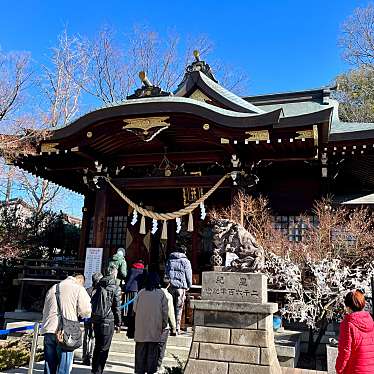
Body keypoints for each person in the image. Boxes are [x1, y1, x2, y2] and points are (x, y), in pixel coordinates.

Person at [41, 274, 91, 374]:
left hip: (48, 329)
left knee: (49, 366)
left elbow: (44, 310)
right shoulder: (78, 288)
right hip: (66, 332)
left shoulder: (53, 288)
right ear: (80, 281)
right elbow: (86, 311)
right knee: (64, 367)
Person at [133, 272, 168, 374]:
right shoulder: (161, 294)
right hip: (155, 328)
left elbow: (134, 309)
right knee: (152, 355)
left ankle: (139, 371)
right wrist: (164, 324)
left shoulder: (141, 292)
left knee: (140, 354)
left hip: (141, 329)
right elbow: (165, 312)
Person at [91, 266, 122, 374]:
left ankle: (94, 369)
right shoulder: (116, 287)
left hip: (96, 319)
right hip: (108, 320)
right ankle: (99, 370)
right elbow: (117, 308)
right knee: (104, 348)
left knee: (97, 346)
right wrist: (119, 323)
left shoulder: (98, 284)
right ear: (114, 274)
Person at [336, 289, 374, 374]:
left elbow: (345, 352)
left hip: (354, 369)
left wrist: (339, 369)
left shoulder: (348, 323)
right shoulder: (371, 321)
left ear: (348, 307)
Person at [165, 245, 192, 334]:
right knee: (179, 308)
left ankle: (169, 326)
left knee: (170, 307)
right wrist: (189, 285)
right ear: (184, 252)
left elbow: (166, 272)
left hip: (171, 286)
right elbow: (188, 275)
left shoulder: (170, 260)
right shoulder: (186, 261)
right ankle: (177, 328)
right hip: (180, 287)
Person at [82, 272, 103, 366]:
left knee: (87, 336)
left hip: (88, 316)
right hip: (96, 317)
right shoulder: (101, 291)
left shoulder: (87, 290)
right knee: (93, 337)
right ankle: (90, 355)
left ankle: (85, 356)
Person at [157, 277, 177, 372]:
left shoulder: (153, 294)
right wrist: (174, 327)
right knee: (161, 347)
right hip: (163, 325)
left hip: (152, 323)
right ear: (169, 285)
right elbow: (171, 313)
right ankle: (158, 365)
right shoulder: (168, 296)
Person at [124, 259, 146, 339]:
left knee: (128, 307)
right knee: (135, 308)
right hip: (137, 290)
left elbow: (127, 278)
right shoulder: (143, 271)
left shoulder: (131, 269)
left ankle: (127, 321)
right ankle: (133, 322)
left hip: (129, 289)